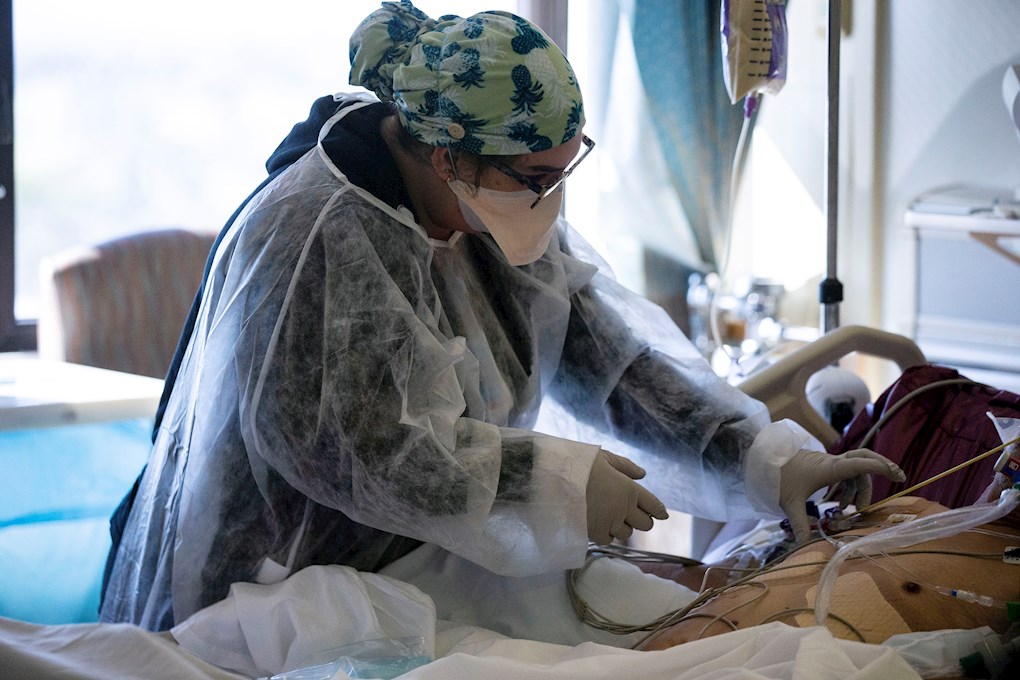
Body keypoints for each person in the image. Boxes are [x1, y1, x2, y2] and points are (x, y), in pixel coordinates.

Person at [99, 0, 904, 632]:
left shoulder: (489, 211)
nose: (549, 200)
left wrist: (764, 455)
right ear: (446, 154)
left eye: (563, 170)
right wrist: (549, 479)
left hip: (421, 582)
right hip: (273, 599)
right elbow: (370, 455)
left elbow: (620, 370)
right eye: (534, 176)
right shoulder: (317, 236)